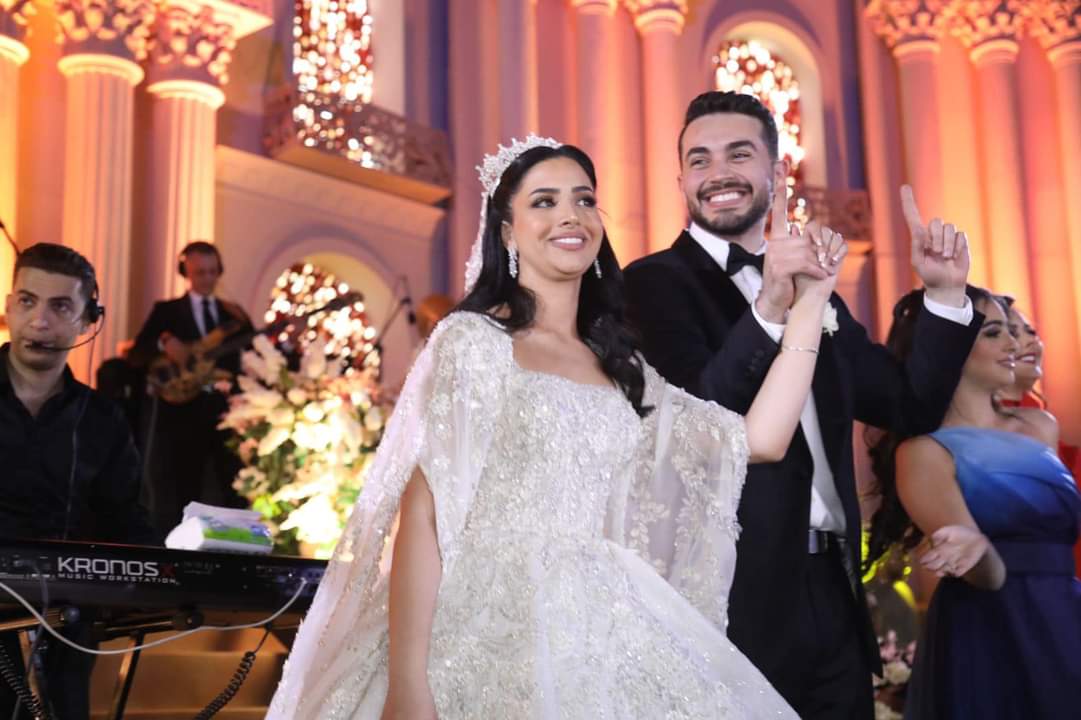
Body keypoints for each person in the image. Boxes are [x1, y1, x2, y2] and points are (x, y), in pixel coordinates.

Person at [267, 136, 848, 718]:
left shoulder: (622, 368)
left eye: (584, 200)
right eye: (544, 201)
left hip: (604, 621)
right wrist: (409, 684)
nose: (570, 215)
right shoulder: (475, 342)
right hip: (484, 622)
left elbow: (760, 440)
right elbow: (423, 512)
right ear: (507, 232)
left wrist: (811, 298)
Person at [623, 90, 982, 718]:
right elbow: (701, 418)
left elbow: (909, 405)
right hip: (733, 597)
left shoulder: (820, 289)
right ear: (681, 181)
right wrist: (770, 309)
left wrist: (945, 296)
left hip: (834, 592)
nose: (718, 173)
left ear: (777, 171)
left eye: (739, 154)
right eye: (700, 160)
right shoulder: (652, 282)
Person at [864, 287, 1081, 719]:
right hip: (992, 625)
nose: (1013, 343)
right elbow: (986, 575)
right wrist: (977, 550)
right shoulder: (923, 452)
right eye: (994, 333)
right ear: (949, 348)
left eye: (1011, 332)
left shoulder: (1041, 426)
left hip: (1063, 609)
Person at [0, 243, 156, 720]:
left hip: (66, 626)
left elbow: (128, 521)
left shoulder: (103, 420)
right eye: (27, 301)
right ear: (8, 307)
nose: (39, 321)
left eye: (60, 307)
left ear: (88, 320)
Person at [129, 240, 253, 535]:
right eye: (200, 272)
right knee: (183, 488)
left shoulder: (233, 315)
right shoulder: (167, 311)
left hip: (226, 413)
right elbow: (136, 355)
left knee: (232, 487)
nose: (207, 278)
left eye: (212, 272)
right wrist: (164, 343)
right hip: (181, 415)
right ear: (186, 272)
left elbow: (254, 351)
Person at [996, 298, 1081, 575]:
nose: (1029, 341)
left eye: (1030, 331)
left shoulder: (1040, 419)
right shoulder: (987, 431)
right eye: (1011, 332)